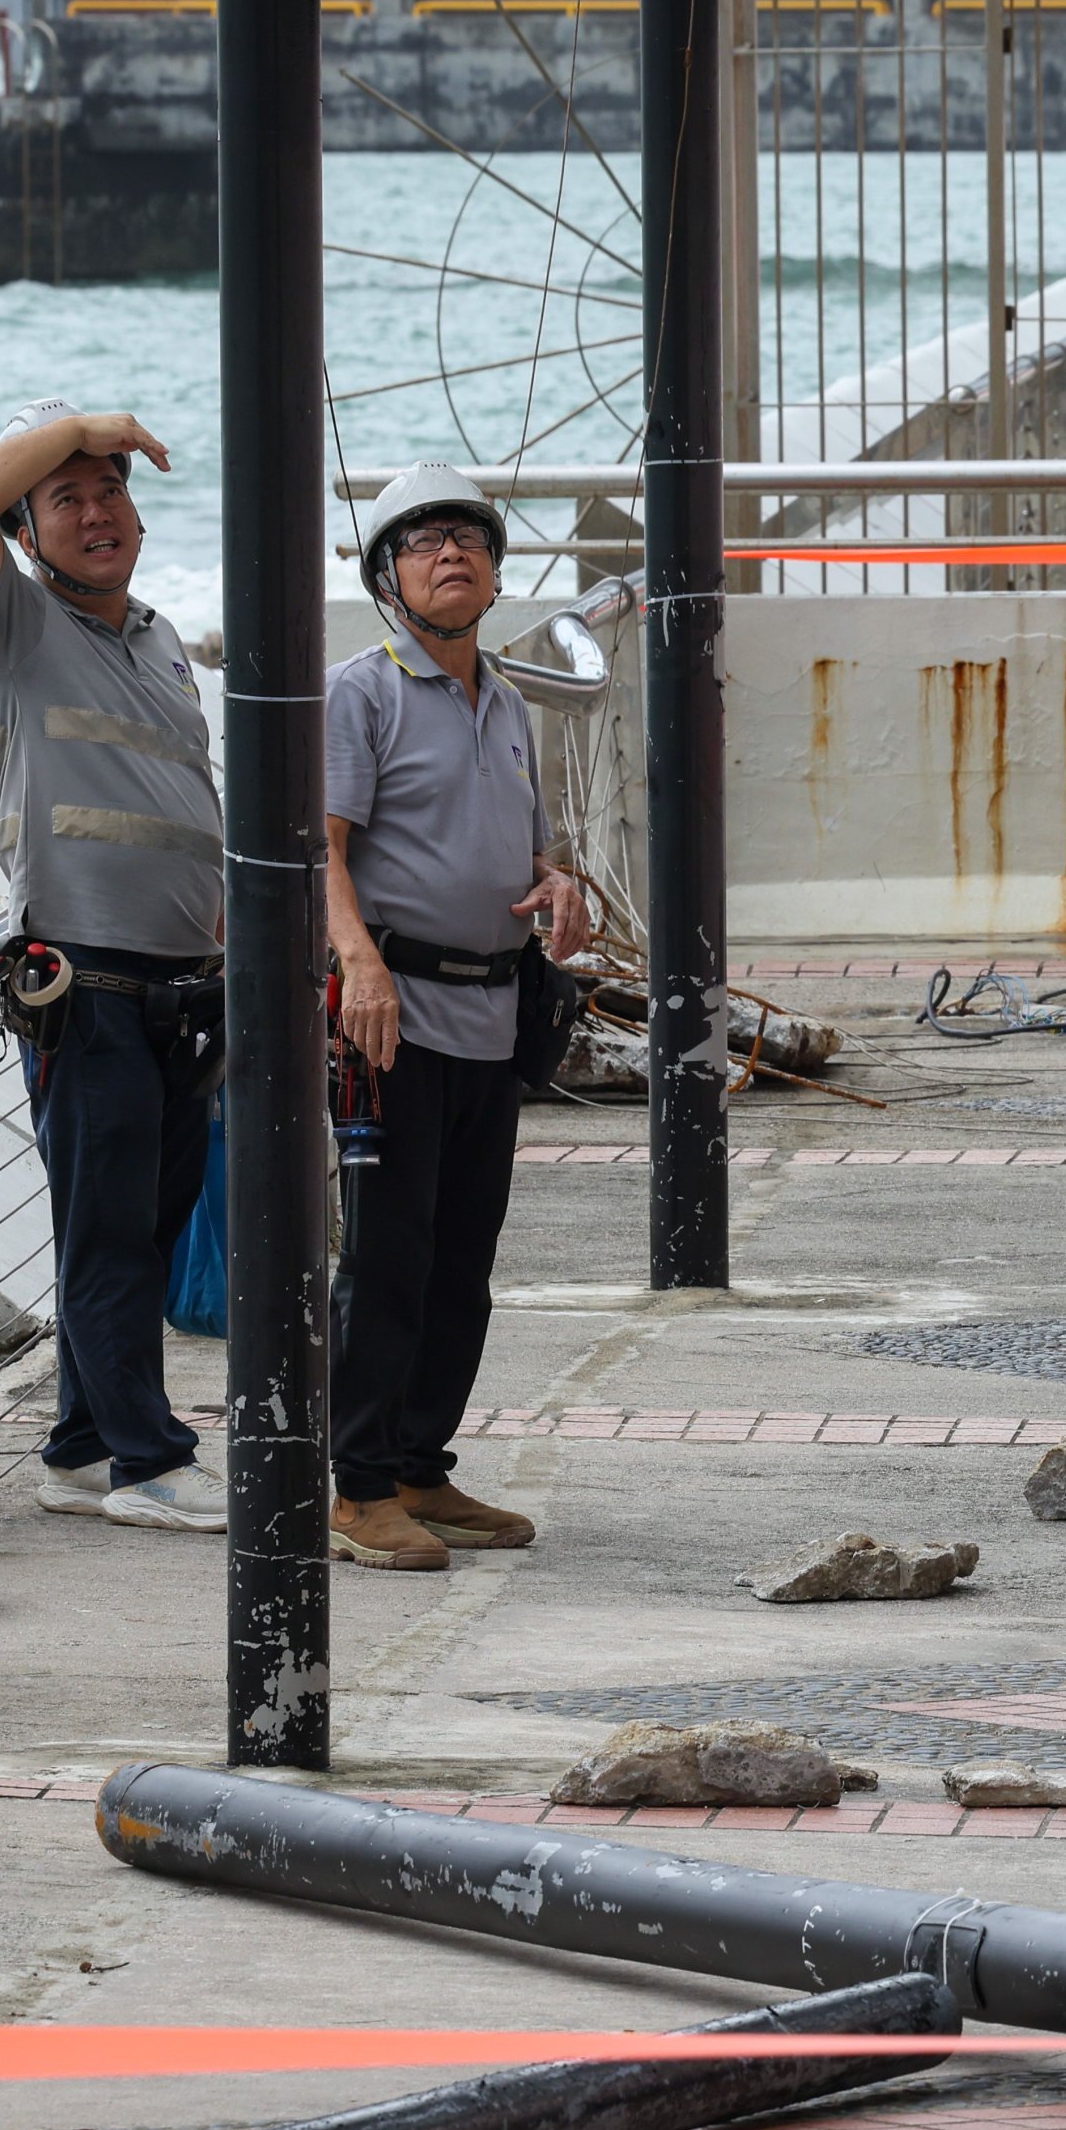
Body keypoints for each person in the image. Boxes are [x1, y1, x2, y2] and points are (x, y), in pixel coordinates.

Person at [0, 401, 231, 1535]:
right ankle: (150, 1463)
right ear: (28, 535)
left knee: (144, 1233)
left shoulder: (157, 636)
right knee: (105, 1232)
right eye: (68, 500)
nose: (98, 513)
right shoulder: (11, 624)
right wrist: (84, 423)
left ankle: (78, 1446)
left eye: (111, 491)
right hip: (88, 986)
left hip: (182, 987)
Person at [321, 465, 593, 1573]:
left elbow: (518, 843)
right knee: (386, 1256)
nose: (453, 554)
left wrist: (559, 884)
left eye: (471, 539)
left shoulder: (511, 701)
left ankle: (423, 1466)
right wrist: (357, 963)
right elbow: (319, 847)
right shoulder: (363, 690)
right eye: (427, 540)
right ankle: (358, 1485)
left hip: (492, 1012)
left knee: (461, 1256)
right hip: (397, 1016)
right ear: (389, 572)